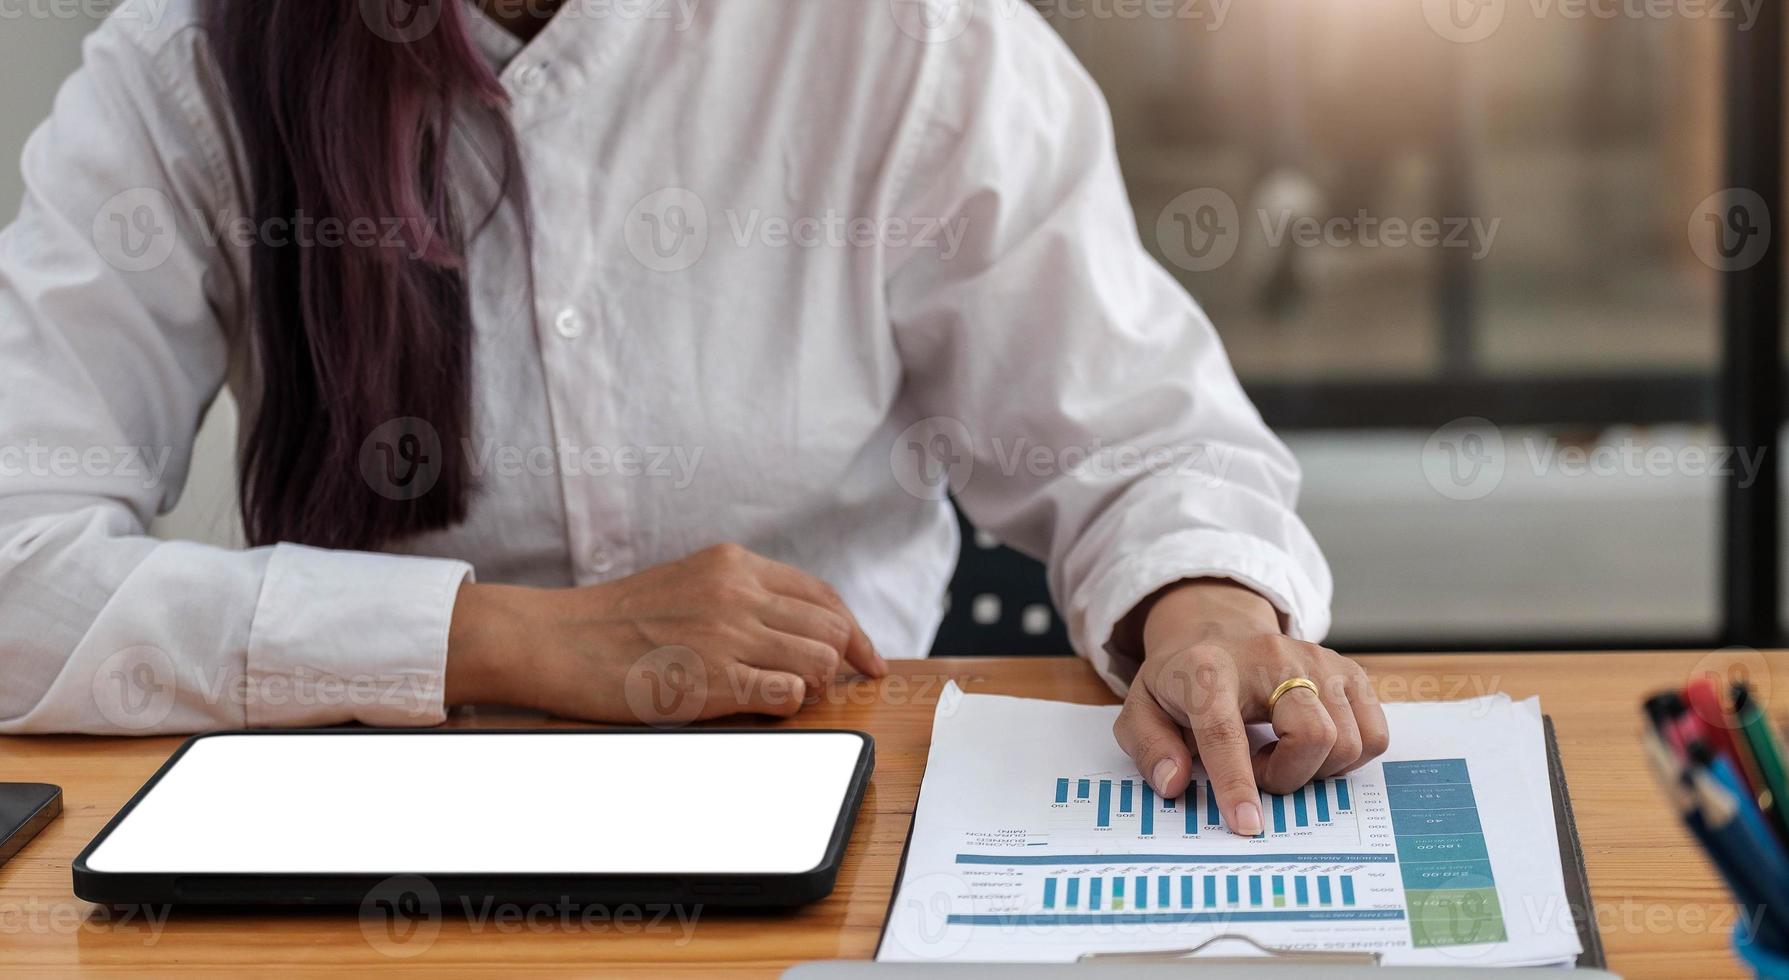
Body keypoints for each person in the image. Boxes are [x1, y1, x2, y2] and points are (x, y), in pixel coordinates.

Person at [0, 0, 1386, 836]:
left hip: (842, 805)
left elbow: (1140, 444)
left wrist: (1206, 611)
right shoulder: (185, 66)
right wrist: (508, 640)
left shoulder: (900, 40)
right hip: (361, 828)